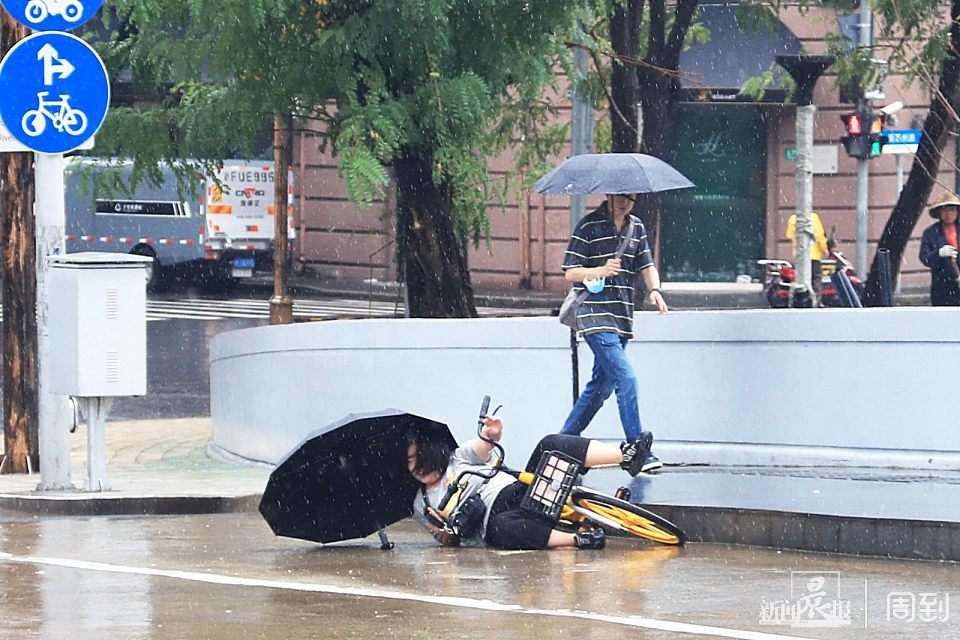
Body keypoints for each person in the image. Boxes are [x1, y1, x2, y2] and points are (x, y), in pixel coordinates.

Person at [408, 415, 650, 550]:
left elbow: (483, 446)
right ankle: (579, 540)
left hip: (521, 493)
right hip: (497, 524)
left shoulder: (457, 459)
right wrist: (445, 530)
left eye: (416, 458)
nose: (414, 467)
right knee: (502, 528)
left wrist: (492, 434)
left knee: (550, 445)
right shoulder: (421, 503)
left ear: (431, 452)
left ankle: (626, 456)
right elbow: (449, 543)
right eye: (408, 462)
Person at [559, 193, 666, 473]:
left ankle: (562, 445)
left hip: (621, 316)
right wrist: (600, 269)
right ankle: (637, 449)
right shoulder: (588, 226)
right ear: (609, 194)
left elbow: (646, 264)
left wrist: (655, 290)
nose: (625, 201)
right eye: (621, 195)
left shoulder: (636, 227)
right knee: (625, 377)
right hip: (594, 315)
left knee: (600, 387)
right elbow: (570, 272)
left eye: (631, 196)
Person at [919, 191, 960, 306]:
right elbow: (924, 257)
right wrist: (939, 253)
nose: (948, 214)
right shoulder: (930, 233)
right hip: (942, 287)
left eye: (952, 209)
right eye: (944, 210)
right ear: (939, 212)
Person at [785, 212, 830, 306]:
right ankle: (816, 301)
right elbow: (819, 236)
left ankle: (801, 299)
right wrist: (825, 249)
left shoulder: (793, 219)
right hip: (813, 255)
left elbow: (789, 235)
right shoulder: (813, 218)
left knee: (801, 279)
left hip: (800, 256)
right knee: (816, 278)